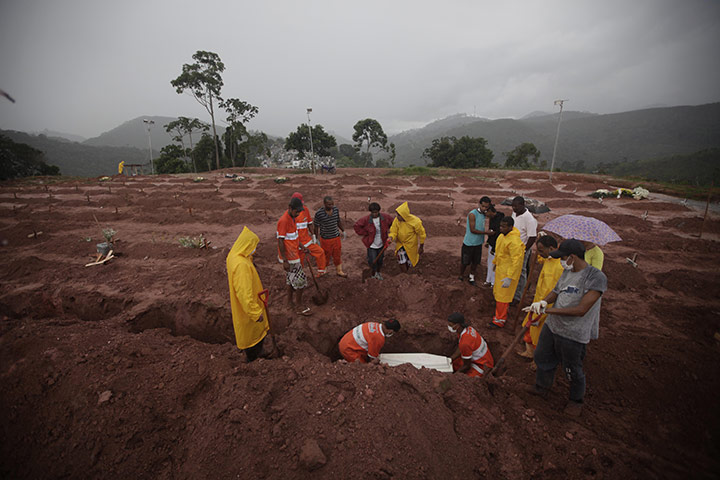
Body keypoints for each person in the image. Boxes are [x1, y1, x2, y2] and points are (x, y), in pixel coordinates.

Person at [526, 239, 608, 417]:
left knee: (572, 368)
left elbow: (581, 310)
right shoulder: (567, 271)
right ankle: (542, 387)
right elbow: (557, 291)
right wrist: (542, 302)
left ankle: (575, 400)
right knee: (542, 356)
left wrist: (548, 310)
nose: (560, 261)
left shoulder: (595, 277)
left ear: (572, 257)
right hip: (553, 325)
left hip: (573, 333)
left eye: (562, 258)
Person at [226, 226, 269, 362]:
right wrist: (255, 313)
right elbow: (244, 293)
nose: (255, 249)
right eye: (254, 246)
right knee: (253, 338)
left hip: (246, 308)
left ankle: (256, 355)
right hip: (249, 311)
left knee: (253, 335)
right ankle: (254, 360)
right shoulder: (241, 266)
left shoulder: (234, 255)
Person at [517, 235, 564, 359]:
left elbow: (553, 291)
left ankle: (538, 360)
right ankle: (529, 352)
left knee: (540, 336)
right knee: (528, 328)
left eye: (541, 250)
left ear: (552, 248)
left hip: (545, 306)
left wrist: (542, 309)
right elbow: (540, 259)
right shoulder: (548, 259)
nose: (539, 253)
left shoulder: (559, 267)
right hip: (537, 301)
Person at [277, 197, 311, 316]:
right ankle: (299, 306)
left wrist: (302, 247)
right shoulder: (284, 221)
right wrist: (285, 260)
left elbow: (294, 236)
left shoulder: (292, 218)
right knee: (301, 281)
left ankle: (289, 302)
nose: (298, 214)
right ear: (290, 208)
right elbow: (280, 241)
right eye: (296, 211)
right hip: (290, 257)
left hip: (294, 252)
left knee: (290, 280)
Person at [490, 217, 525, 328]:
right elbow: (499, 252)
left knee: (503, 297)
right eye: (500, 226)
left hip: (507, 273)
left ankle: (500, 320)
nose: (501, 228)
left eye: (504, 226)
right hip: (501, 270)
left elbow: (517, 261)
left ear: (510, 227)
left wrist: (510, 277)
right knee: (499, 294)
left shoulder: (514, 242)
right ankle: (500, 314)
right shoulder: (502, 236)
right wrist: (495, 263)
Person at [459, 196, 494, 285]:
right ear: (479, 204)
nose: (484, 208)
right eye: (483, 206)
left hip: (478, 243)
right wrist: (486, 233)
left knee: (475, 262)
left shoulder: (484, 214)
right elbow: (472, 230)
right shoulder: (472, 214)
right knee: (465, 261)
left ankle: (471, 277)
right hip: (469, 242)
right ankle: (461, 275)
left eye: (486, 207)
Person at [354, 202, 394, 280]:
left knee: (380, 260)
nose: (375, 214)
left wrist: (390, 231)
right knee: (372, 260)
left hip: (382, 243)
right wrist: (365, 233)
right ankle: (373, 273)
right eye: (373, 212)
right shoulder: (366, 219)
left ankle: (378, 272)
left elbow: (393, 223)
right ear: (370, 212)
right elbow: (357, 226)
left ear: (379, 211)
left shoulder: (385, 217)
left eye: (376, 212)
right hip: (371, 244)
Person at [447, 312, 494, 377]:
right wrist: (450, 359)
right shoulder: (467, 329)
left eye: (450, 325)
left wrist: (454, 377)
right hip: (481, 357)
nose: (449, 326)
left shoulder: (465, 342)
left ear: (457, 325)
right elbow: (461, 348)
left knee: (467, 380)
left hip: (483, 365)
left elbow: (466, 366)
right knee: (454, 363)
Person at [291, 192, 327, 276]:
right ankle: (300, 277)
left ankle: (322, 272)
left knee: (320, 252)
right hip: (297, 244)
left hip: (307, 241)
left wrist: (314, 236)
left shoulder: (305, 210)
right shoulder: (290, 214)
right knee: (299, 263)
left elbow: (310, 224)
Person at [511, 196, 538, 302]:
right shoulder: (514, 214)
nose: (513, 208)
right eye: (512, 206)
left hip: (522, 249)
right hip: (512, 248)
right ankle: (512, 291)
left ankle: (518, 296)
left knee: (521, 272)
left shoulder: (529, 219)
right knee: (513, 270)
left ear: (522, 205)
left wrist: (525, 249)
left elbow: (532, 237)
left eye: (516, 206)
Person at [387, 201, 427, 272]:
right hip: (400, 245)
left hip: (411, 245)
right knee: (401, 261)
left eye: (399, 215)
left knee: (410, 261)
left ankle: (407, 273)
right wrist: (391, 237)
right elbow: (393, 231)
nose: (397, 217)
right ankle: (404, 275)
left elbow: (422, 234)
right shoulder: (396, 220)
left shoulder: (415, 222)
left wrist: (421, 246)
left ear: (404, 215)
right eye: (397, 214)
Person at [314, 196, 347, 278]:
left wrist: (343, 230)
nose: (331, 206)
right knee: (325, 256)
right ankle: (323, 271)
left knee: (337, 254)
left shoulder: (336, 210)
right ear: (324, 204)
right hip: (325, 239)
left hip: (336, 237)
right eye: (329, 204)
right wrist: (315, 237)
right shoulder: (319, 213)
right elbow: (316, 226)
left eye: (332, 204)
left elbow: (338, 221)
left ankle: (339, 271)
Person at [483, 204, 505, 287]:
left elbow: (499, 234)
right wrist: (488, 241)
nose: (486, 215)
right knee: (490, 263)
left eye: (486, 212)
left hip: (497, 246)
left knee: (495, 264)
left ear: (490, 211)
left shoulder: (500, 219)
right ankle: (488, 280)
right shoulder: (492, 219)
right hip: (492, 244)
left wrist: (495, 248)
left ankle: (493, 282)